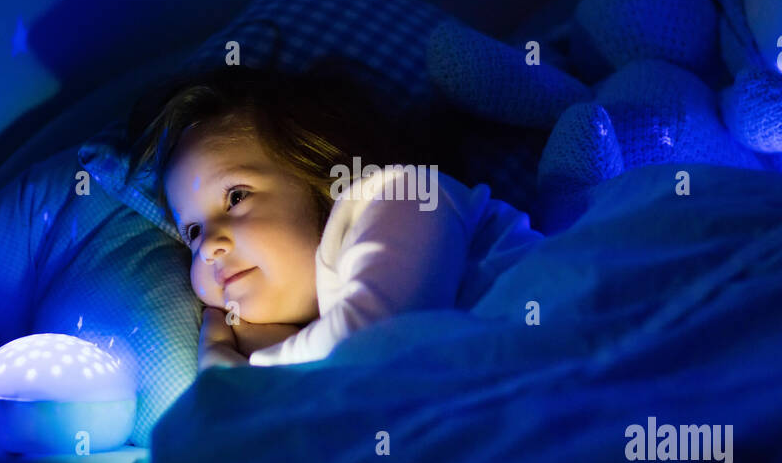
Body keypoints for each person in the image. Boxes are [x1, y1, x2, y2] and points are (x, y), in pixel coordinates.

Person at [126, 55, 544, 369]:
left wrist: (229, 356)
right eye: (193, 231)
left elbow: (372, 347)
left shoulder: (404, 195)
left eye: (236, 197)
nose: (210, 248)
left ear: (318, 172)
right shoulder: (315, 325)